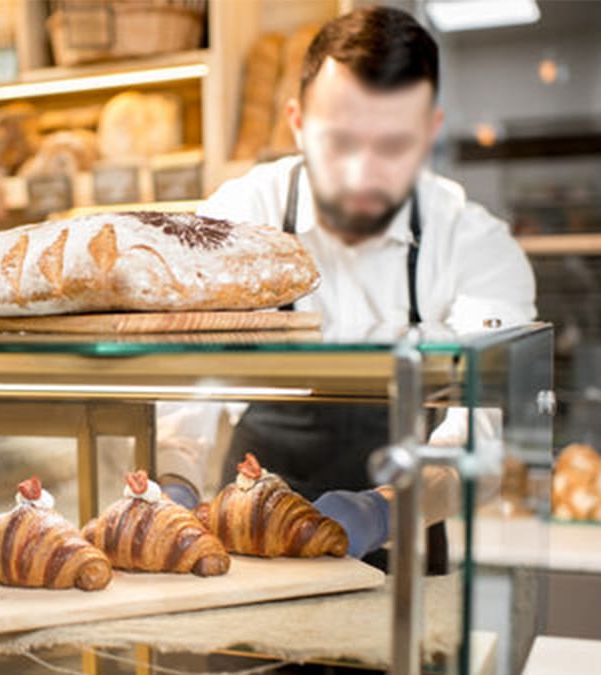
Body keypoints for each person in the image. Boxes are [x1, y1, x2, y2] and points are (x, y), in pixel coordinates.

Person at [157, 6, 536, 571]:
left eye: (392, 147)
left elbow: (479, 434)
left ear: (430, 131)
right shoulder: (236, 220)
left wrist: (377, 513)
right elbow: (185, 393)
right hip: (247, 545)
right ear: (297, 122)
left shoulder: (473, 241)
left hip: (403, 543)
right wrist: (174, 491)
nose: (362, 173)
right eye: (341, 143)